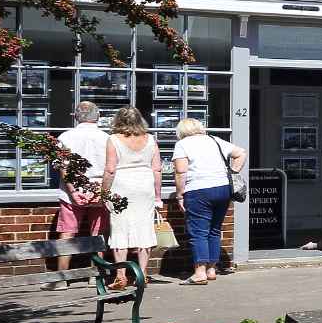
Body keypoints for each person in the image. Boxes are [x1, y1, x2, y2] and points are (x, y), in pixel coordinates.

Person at [170, 118, 244, 285]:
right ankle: (211, 269)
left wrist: (180, 194)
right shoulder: (214, 140)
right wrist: (233, 172)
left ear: (181, 131)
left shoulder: (182, 144)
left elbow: (181, 171)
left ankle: (199, 272)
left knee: (198, 232)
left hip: (198, 190)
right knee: (214, 230)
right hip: (223, 188)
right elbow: (241, 153)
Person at [100, 107, 162, 289]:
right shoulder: (150, 139)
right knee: (145, 229)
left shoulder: (113, 139)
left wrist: (104, 193)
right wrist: (158, 196)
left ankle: (121, 276)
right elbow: (157, 169)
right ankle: (142, 275)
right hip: (145, 187)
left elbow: (110, 169)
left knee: (120, 230)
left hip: (122, 186)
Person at [51, 101, 111, 286]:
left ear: (76, 116)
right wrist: (102, 191)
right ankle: (95, 276)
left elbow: (63, 167)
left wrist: (73, 190)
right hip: (99, 188)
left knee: (67, 233)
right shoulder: (107, 138)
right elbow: (111, 168)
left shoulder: (65, 137)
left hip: (71, 192)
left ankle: (62, 278)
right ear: (98, 116)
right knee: (98, 233)